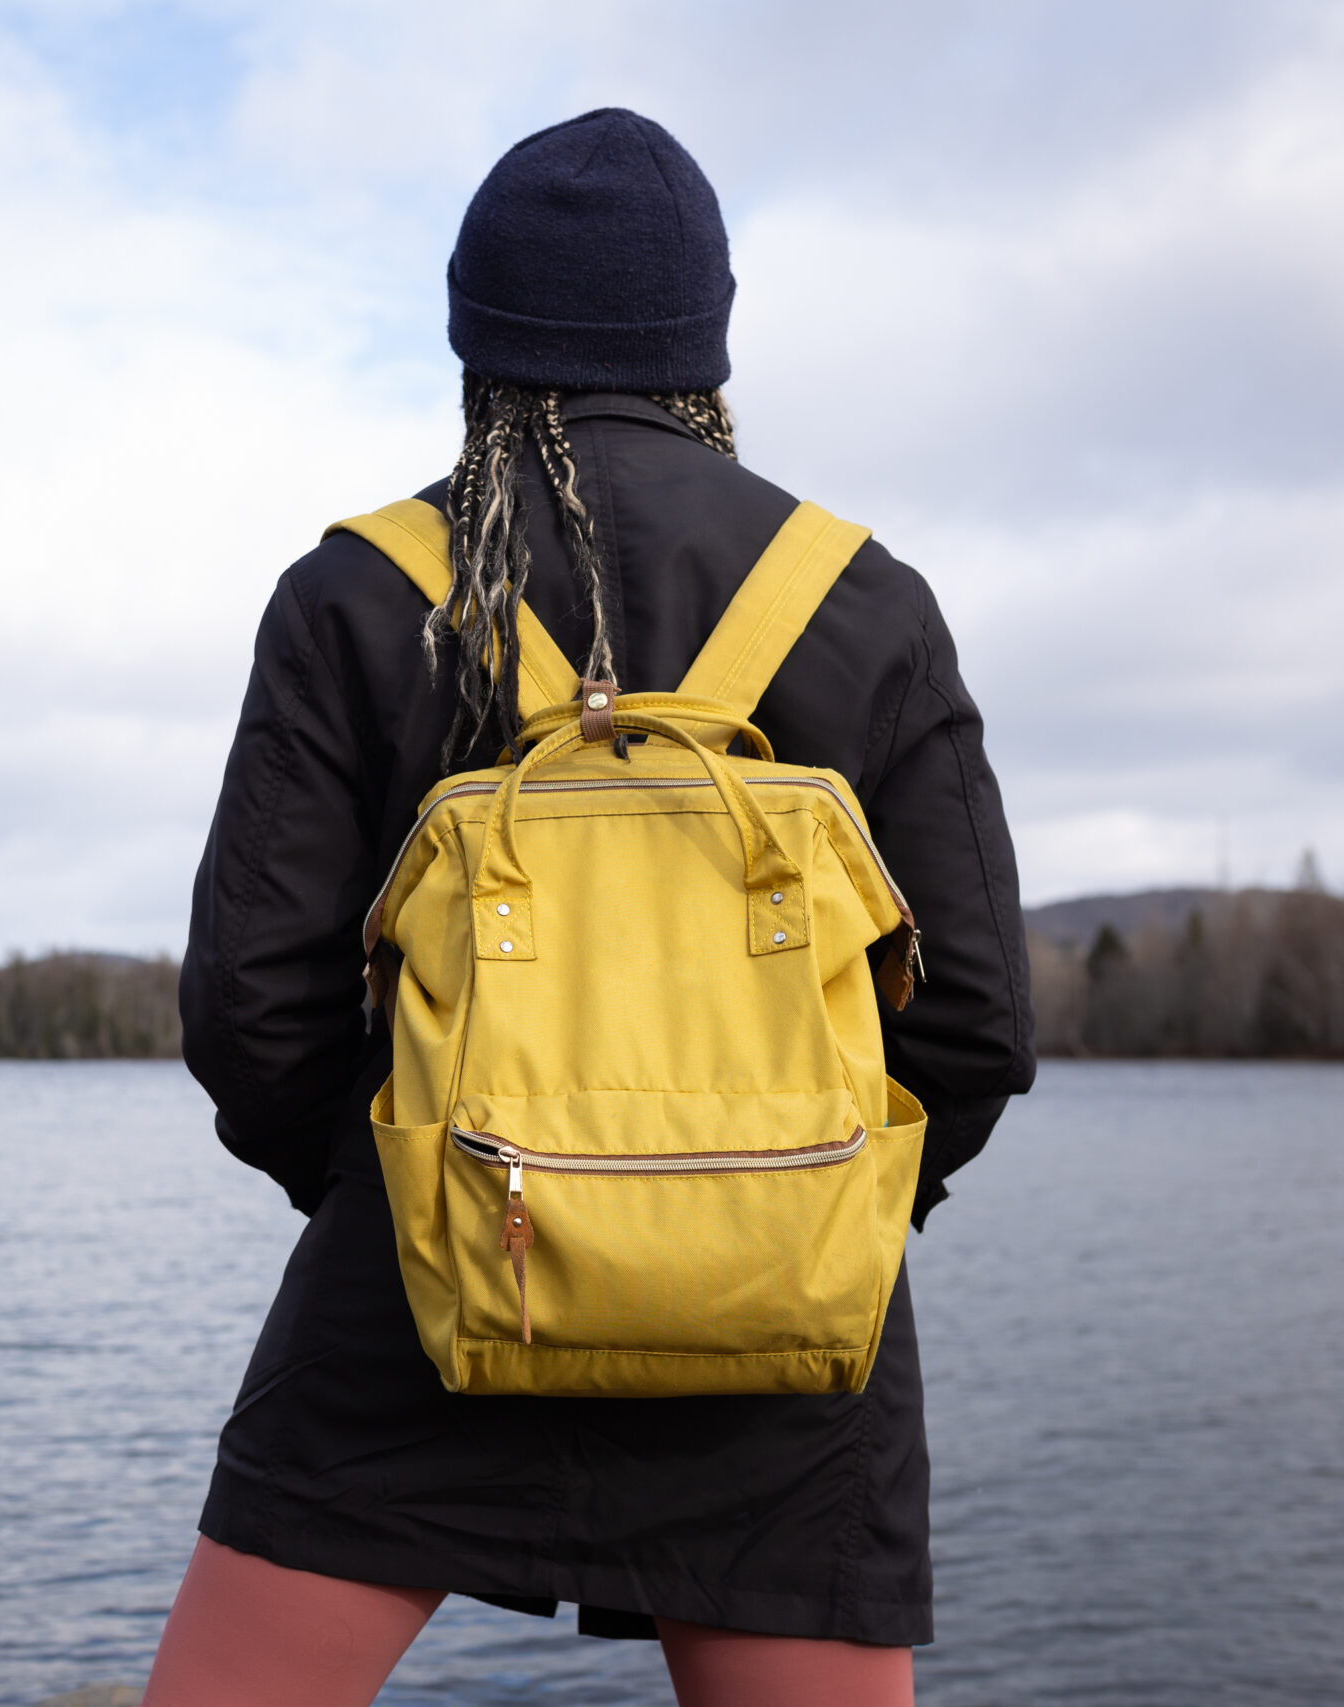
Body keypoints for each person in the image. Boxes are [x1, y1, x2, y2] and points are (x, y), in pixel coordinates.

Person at [155, 109, 1036, 1706]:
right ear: (702, 335)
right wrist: (792, 1220)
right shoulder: (866, 599)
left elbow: (252, 1012)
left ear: (474, 335)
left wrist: (420, 1204)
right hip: (786, 1320)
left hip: (421, 1293)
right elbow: (974, 1020)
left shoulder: (358, 591)